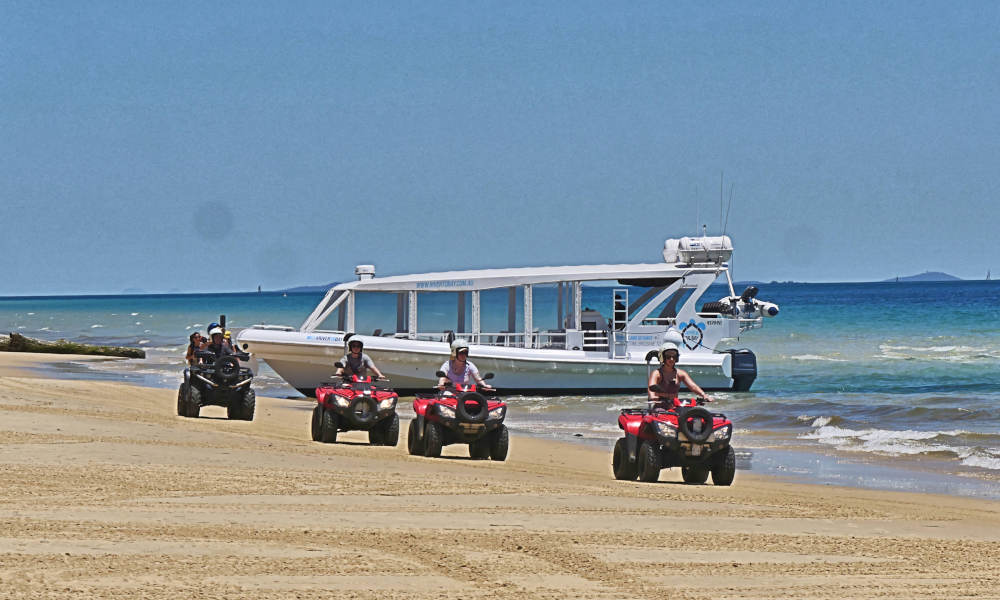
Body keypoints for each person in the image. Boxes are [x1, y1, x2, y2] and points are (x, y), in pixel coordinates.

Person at [647, 338, 712, 410]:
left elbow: (693, 386)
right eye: (668, 356)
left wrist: (704, 395)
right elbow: (651, 389)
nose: (671, 359)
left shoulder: (681, 373)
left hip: (676, 406)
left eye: (674, 356)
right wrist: (653, 397)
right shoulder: (656, 373)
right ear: (662, 357)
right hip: (660, 407)